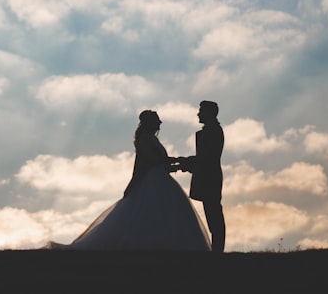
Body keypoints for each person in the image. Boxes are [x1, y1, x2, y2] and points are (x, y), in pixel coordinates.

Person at [58, 109, 210, 251]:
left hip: (159, 177)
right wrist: (176, 161)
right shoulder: (145, 139)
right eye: (157, 121)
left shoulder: (150, 138)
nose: (160, 124)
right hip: (153, 180)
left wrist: (176, 164)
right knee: (154, 212)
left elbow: (158, 162)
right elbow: (151, 161)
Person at [173, 100, 225, 252]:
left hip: (210, 177)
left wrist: (182, 163)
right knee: (212, 213)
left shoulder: (213, 131)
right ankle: (217, 249)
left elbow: (206, 158)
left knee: (214, 214)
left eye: (201, 111)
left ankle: (217, 250)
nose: (198, 113)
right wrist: (183, 163)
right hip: (207, 176)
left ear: (209, 113)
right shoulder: (210, 130)